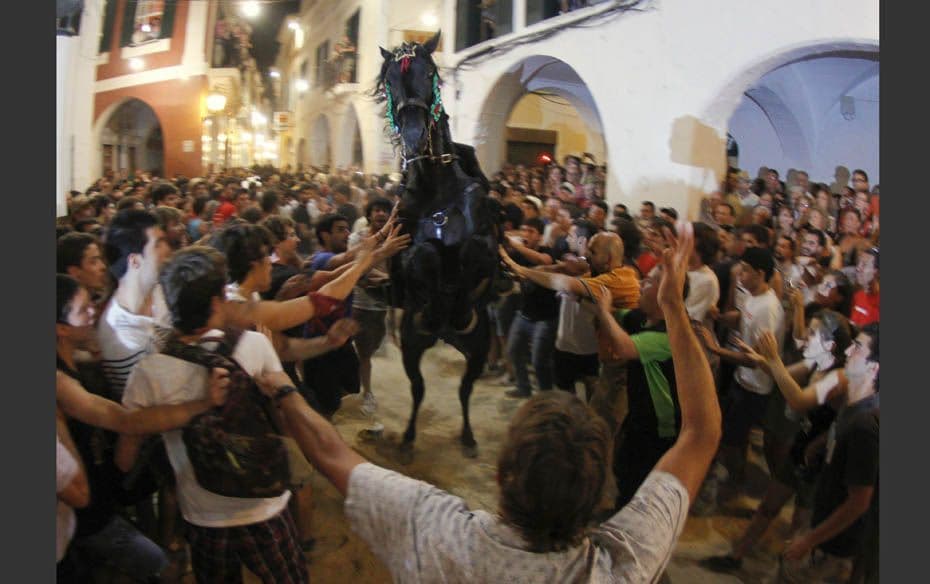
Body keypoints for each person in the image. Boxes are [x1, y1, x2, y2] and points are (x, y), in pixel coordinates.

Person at [252, 221, 722, 582]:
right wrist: (676, 308)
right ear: (595, 490)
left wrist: (273, 376)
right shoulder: (624, 564)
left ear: (500, 475)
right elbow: (701, 432)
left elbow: (331, 453)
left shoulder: (436, 527)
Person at [114, 247, 310, 584]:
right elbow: (290, 426)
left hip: (202, 516)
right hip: (265, 504)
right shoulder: (254, 345)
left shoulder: (148, 371)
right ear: (218, 302)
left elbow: (125, 459)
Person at [501, 218, 559, 398]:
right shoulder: (520, 256)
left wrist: (513, 243)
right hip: (525, 314)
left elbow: (543, 261)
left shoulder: (547, 251)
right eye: (524, 230)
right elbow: (510, 266)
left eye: (531, 231)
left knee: (539, 361)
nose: (526, 234)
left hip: (545, 318)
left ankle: (545, 398)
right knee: (513, 351)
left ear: (540, 236)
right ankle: (524, 387)